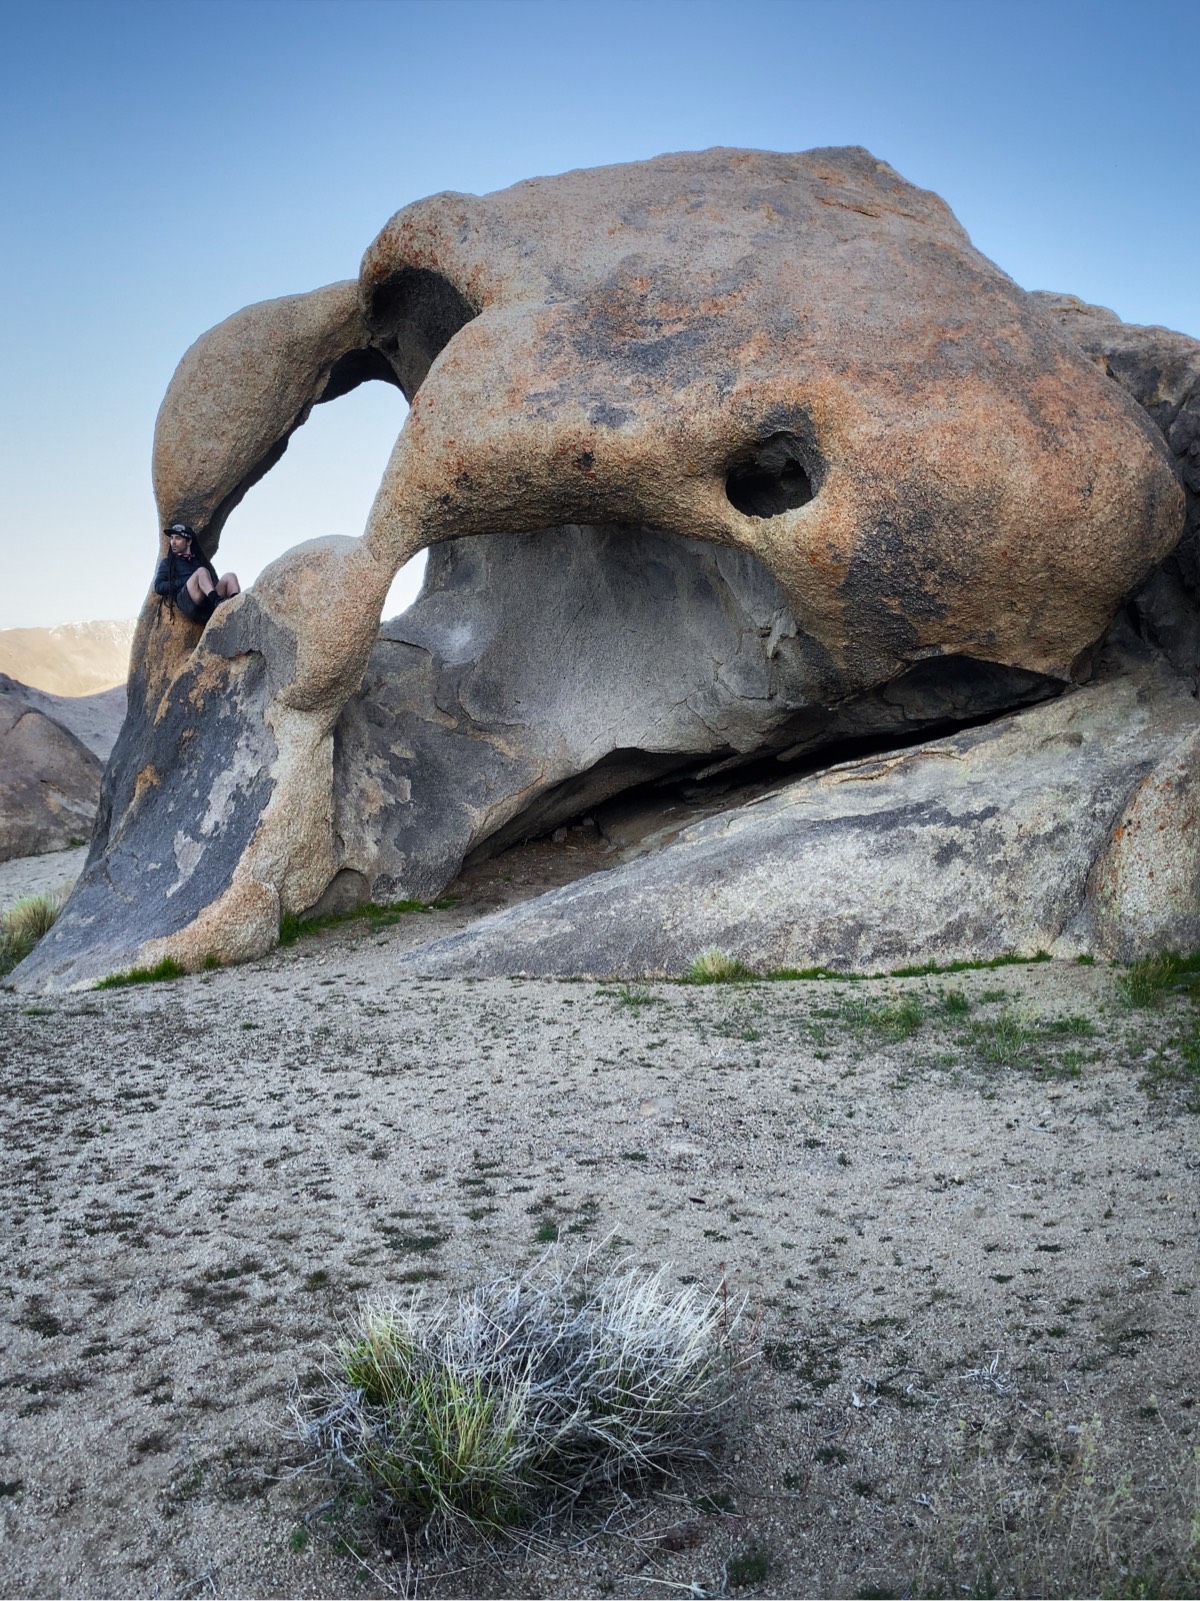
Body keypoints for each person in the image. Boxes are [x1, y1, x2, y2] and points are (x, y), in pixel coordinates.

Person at [154, 524, 241, 624]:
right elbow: (159, 587)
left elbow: (214, 582)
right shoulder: (168, 563)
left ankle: (238, 606)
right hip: (189, 604)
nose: (173, 542)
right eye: (172, 538)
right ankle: (217, 601)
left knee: (230, 576)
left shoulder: (201, 561)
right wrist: (185, 581)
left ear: (189, 541)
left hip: (208, 604)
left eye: (178, 538)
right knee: (201, 571)